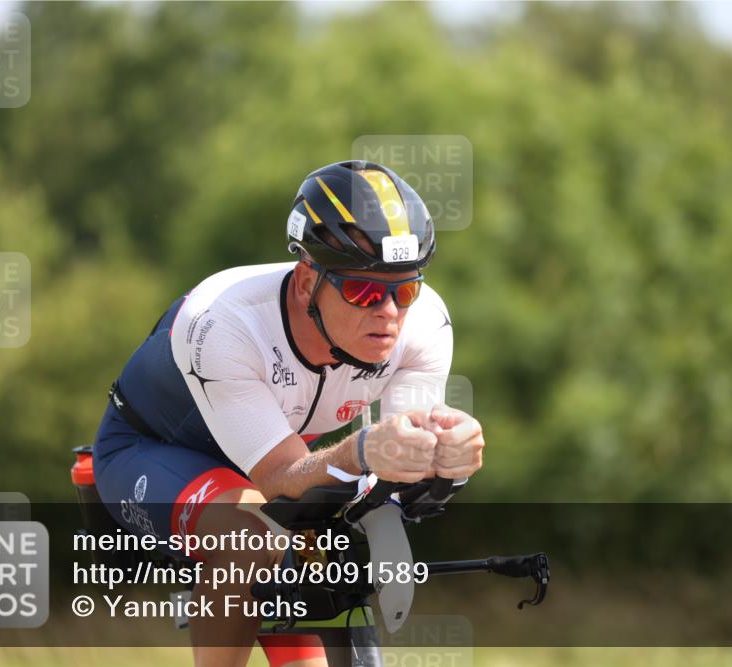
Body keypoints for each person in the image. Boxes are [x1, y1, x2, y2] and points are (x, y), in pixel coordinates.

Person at [91, 160, 484, 667]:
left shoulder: (425, 323)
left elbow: (395, 472)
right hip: (154, 452)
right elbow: (279, 478)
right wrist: (364, 449)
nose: (388, 311)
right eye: (363, 289)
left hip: (278, 458)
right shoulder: (224, 323)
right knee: (251, 537)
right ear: (305, 282)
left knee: (320, 564)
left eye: (404, 288)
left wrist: (448, 458)